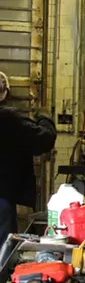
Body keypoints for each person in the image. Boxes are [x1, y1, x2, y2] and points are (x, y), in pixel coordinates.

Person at [0, 71, 57, 244]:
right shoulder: (8, 119)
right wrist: (44, 118)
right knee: (3, 257)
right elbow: (44, 139)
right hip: (2, 200)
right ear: (5, 93)